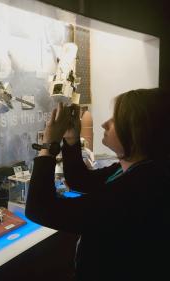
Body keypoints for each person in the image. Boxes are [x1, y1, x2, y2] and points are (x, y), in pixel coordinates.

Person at [25, 88, 170, 281]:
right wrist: (71, 139)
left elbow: (40, 208)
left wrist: (49, 144)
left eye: (115, 119)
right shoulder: (137, 169)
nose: (105, 124)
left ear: (138, 130)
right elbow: (80, 179)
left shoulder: (140, 189)